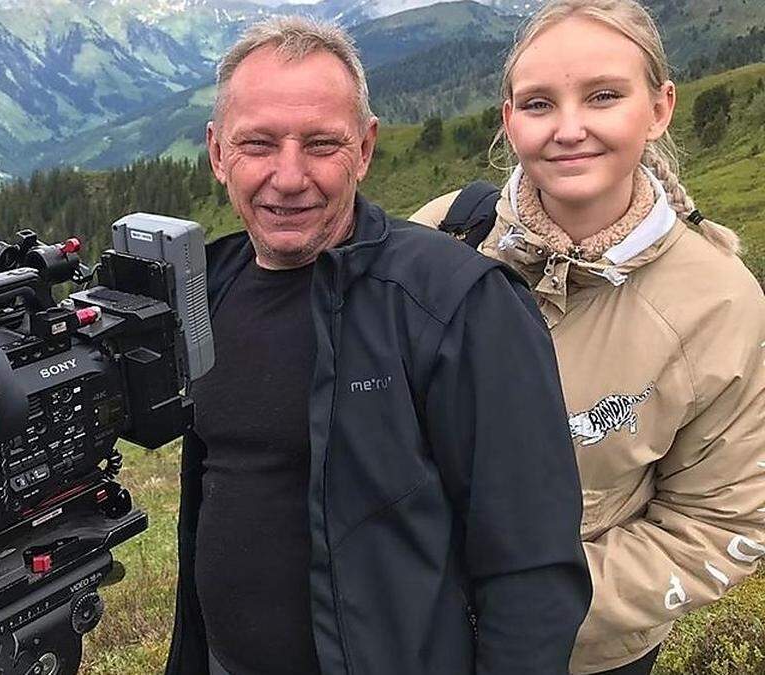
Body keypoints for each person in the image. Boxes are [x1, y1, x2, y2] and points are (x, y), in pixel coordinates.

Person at [165, 16, 592, 675]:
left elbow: (532, 567)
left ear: (364, 149)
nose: (288, 175)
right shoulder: (208, 287)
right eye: (258, 144)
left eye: (320, 144)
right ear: (218, 152)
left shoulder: (457, 303)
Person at [409, 2, 765, 674]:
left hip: (586, 656)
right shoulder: (441, 236)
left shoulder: (719, 303)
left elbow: (720, 525)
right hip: (417, 635)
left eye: (603, 96)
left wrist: (529, 602)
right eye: (539, 104)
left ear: (660, 108)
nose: (569, 129)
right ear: (509, 120)